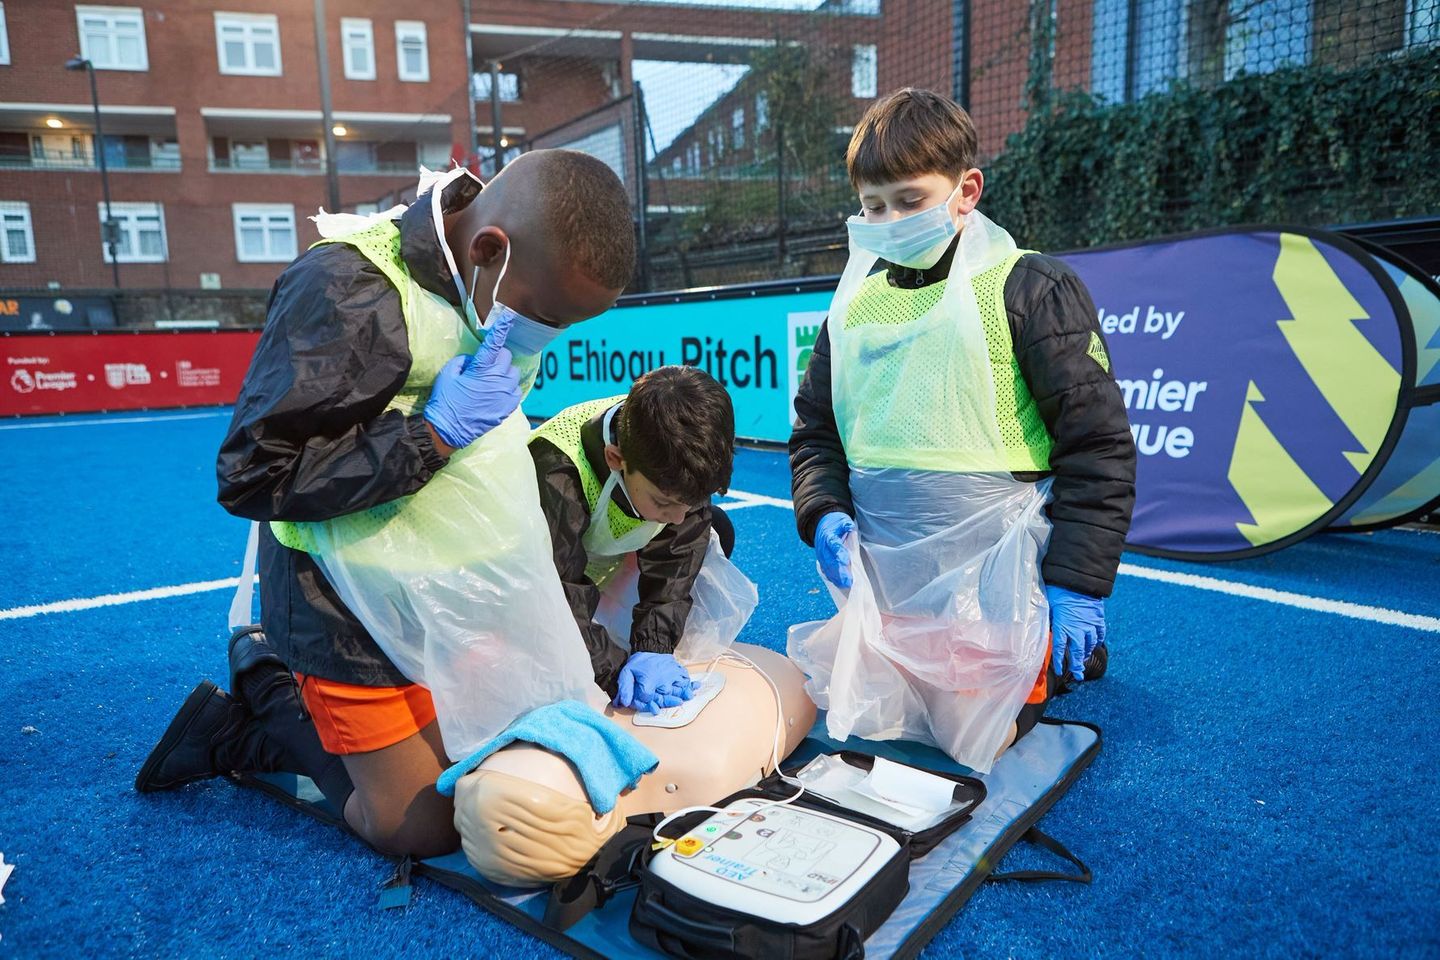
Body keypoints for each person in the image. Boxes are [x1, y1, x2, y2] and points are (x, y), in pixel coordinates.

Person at [135, 149, 638, 859]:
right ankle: (258, 703)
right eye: (548, 317)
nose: (547, 336)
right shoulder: (346, 289)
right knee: (420, 827)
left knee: (495, 764)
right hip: (339, 603)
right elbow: (252, 474)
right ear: (488, 249)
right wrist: (429, 435)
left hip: (438, 588)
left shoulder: (493, 279)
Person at [788, 88, 1135, 769]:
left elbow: (1097, 445)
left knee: (971, 737)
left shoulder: (1029, 289)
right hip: (893, 598)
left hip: (999, 592)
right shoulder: (852, 311)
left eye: (910, 200)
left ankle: (1056, 652)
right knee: (861, 719)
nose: (888, 221)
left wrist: (1077, 583)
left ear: (966, 190)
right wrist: (823, 510)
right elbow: (816, 435)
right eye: (872, 206)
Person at [529, 365, 741, 714]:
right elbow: (551, 595)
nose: (676, 517)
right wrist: (613, 672)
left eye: (687, 503)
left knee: (715, 527)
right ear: (616, 460)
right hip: (547, 566)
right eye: (664, 502)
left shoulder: (680, 449)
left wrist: (654, 647)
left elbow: (679, 555)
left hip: (606, 554)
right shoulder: (557, 473)